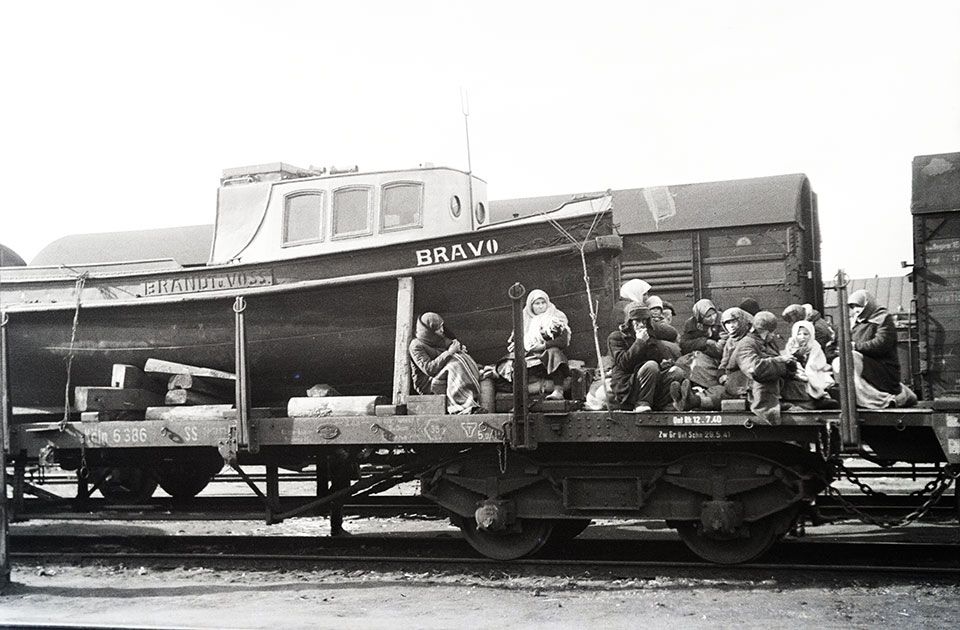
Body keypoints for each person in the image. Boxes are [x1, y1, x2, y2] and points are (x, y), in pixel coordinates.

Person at [838, 290, 917, 408]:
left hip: (883, 368)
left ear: (867, 304)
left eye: (858, 306)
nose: (856, 310)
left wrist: (855, 346)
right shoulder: (855, 323)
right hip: (866, 367)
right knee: (838, 362)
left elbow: (881, 344)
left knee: (851, 357)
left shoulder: (883, 319)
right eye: (853, 307)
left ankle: (882, 401)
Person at [607, 302, 683, 411]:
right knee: (651, 366)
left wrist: (664, 363)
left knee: (676, 372)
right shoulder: (616, 337)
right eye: (637, 321)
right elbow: (624, 364)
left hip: (649, 379)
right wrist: (640, 342)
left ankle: (662, 404)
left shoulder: (649, 335)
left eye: (644, 321)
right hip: (628, 383)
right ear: (629, 322)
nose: (641, 324)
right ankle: (642, 403)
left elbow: (657, 356)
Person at [728, 311, 798, 424]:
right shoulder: (746, 343)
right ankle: (769, 411)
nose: (773, 335)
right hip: (742, 385)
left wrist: (790, 363)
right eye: (772, 332)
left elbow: (776, 362)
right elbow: (755, 369)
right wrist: (780, 361)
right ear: (765, 332)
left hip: (757, 384)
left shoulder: (768, 342)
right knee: (765, 381)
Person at [409, 312, 482, 414]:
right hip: (428, 384)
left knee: (460, 357)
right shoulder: (416, 346)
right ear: (428, 331)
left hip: (443, 376)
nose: (442, 330)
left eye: (442, 327)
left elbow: (452, 345)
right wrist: (450, 352)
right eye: (438, 329)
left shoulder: (438, 339)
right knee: (455, 364)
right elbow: (429, 369)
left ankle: (471, 400)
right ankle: (461, 406)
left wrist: (459, 348)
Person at [520, 289, 571, 400]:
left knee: (553, 352)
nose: (541, 306)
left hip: (548, 355)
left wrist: (543, 346)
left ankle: (558, 390)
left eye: (543, 303)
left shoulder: (556, 316)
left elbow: (563, 341)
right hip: (531, 355)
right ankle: (521, 399)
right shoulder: (525, 318)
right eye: (537, 304)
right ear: (531, 305)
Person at [782, 320, 839, 408]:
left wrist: (808, 368)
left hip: (815, 368)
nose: (802, 337)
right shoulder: (791, 345)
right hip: (798, 369)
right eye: (799, 334)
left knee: (816, 377)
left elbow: (816, 361)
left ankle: (820, 396)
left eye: (806, 334)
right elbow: (790, 358)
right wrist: (798, 358)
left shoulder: (814, 345)